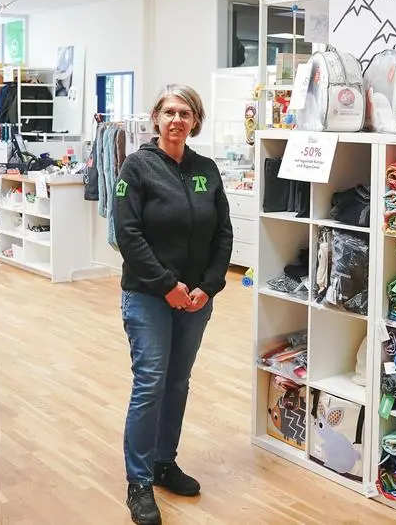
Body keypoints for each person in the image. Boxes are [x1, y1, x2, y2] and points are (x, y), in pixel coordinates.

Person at [113, 84, 233, 525]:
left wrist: (210, 285)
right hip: (148, 296)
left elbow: (223, 232)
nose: (177, 120)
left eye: (185, 113)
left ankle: (164, 462)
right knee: (150, 383)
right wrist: (167, 285)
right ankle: (139, 481)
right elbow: (128, 234)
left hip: (196, 299)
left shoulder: (206, 169)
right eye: (169, 112)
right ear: (157, 118)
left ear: (195, 120)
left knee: (177, 382)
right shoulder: (137, 167)